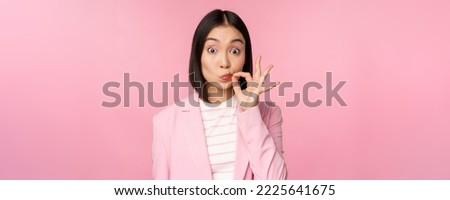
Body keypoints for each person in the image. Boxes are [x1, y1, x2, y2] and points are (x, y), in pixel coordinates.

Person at [152, 9, 287, 180]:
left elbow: (276, 186)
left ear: (245, 57)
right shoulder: (165, 122)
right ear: (198, 55)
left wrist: (250, 112)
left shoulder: (269, 115)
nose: (224, 62)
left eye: (235, 51)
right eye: (212, 50)